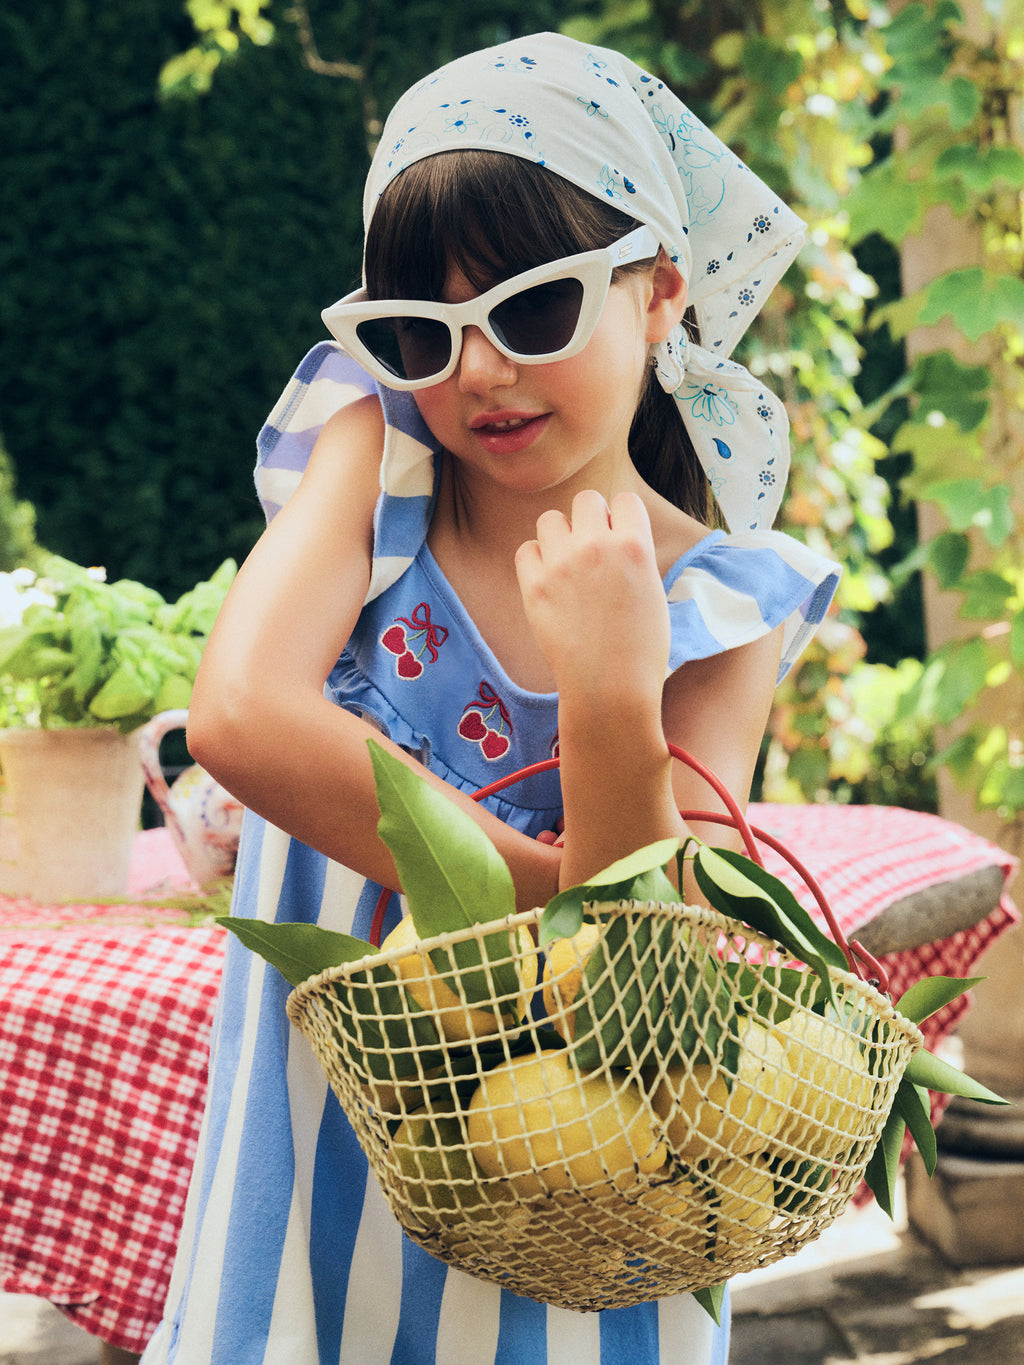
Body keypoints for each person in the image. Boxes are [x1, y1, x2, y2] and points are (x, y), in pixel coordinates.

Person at [140, 31, 841, 1365]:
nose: (476, 370)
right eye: (422, 330)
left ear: (658, 293)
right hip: (314, 1175)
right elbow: (238, 711)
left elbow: (653, 955)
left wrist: (608, 682)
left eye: (532, 308)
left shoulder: (731, 603)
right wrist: (538, 886)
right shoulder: (381, 460)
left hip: (575, 1200)